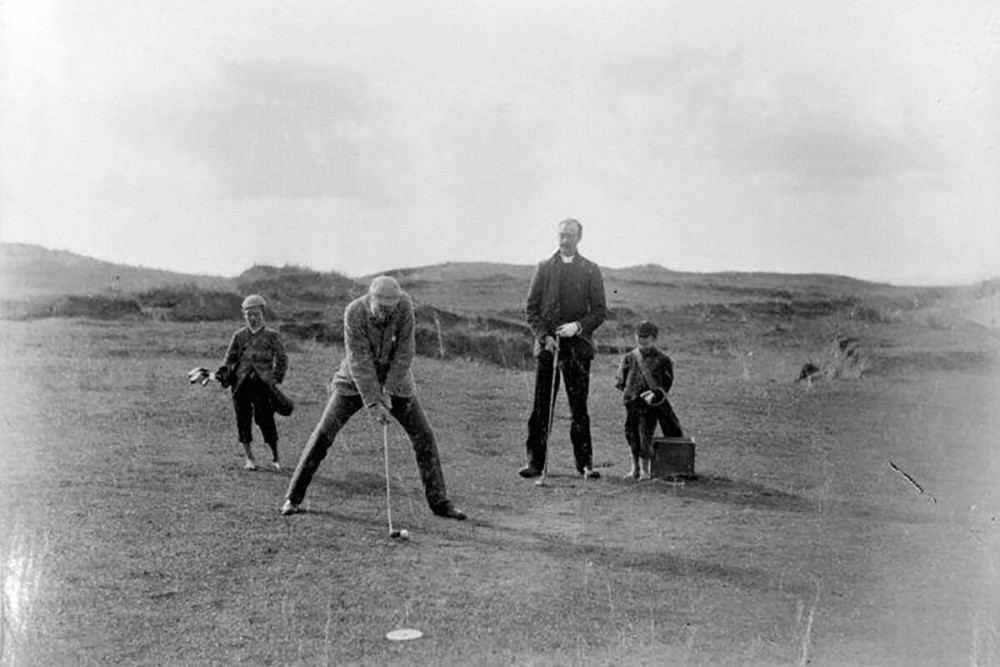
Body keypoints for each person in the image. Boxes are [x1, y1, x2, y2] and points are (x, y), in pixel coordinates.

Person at [281, 276, 466, 520]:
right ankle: (292, 499)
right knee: (323, 434)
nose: (386, 313)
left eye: (391, 307)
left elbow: (405, 351)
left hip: (397, 383)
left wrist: (388, 391)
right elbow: (359, 359)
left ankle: (440, 503)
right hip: (353, 382)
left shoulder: (404, 306)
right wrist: (374, 401)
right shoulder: (354, 312)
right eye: (381, 307)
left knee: (424, 436)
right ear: (371, 298)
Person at [519, 218, 608, 480]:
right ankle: (535, 462)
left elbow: (600, 312)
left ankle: (585, 465)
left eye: (570, 235)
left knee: (578, 407)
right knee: (541, 406)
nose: (565, 240)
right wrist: (544, 336)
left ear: (579, 238)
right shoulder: (544, 268)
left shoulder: (591, 270)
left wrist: (578, 327)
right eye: (561, 235)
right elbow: (531, 310)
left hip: (578, 349)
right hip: (548, 347)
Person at [219, 294, 289, 471]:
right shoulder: (239, 336)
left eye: (255, 313)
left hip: (263, 385)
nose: (252, 317)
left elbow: (282, 359)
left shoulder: (272, 336)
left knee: (265, 420)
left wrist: (275, 378)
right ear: (244, 315)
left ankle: (276, 457)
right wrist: (224, 373)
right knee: (242, 420)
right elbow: (229, 359)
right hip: (240, 385)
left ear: (263, 313)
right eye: (248, 314)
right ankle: (250, 459)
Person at [614, 320, 684, 480]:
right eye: (639, 336)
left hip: (650, 404)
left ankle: (645, 470)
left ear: (654, 338)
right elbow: (621, 379)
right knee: (631, 434)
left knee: (646, 435)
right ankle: (634, 469)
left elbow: (666, 384)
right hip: (631, 402)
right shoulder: (629, 357)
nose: (642, 339)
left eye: (646, 336)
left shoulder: (664, 360)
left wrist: (656, 394)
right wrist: (626, 392)